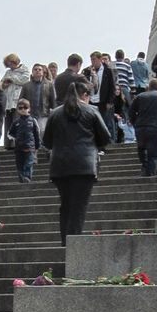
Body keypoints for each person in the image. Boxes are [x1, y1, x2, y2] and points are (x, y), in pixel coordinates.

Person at [42, 80, 111, 245]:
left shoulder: (56, 113)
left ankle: (65, 242)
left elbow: (46, 141)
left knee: (65, 205)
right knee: (78, 207)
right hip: (84, 165)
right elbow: (106, 137)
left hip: (60, 166)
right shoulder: (91, 111)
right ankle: (73, 244)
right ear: (85, 95)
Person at [84, 52, 117, 141]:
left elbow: (112, 87)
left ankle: (109, 142)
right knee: (93, 124)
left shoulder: (108, 70)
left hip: (103, 101)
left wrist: (110, 101)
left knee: (106, 123)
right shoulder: (88, 71)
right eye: (91, 60)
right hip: (91, 100)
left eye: (94, 59)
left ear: (100, 59)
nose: (92, 62)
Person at [0, 54, 30, 147]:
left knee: (17, 122)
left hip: (18, 101)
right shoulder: (8, 72)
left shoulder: (24, 70)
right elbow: (1, 84)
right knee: (8, 123)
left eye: (10, 64)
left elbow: (24, 80)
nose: (10, 66)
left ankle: (17, 143)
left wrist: (11, 79)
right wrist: (4, 84)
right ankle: (8, 144)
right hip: (8, 102)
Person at [8, 98, 41, 182]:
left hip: (30, 147)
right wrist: (15, 138)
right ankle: (22, 177)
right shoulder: (16, 122)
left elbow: (37, 134)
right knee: (19, 165)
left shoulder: (33, 121)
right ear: (18, 110)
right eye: (20, 108)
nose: (23, 109)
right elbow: (10, 133)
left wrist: (37, 147)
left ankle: (27, 177)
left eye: (25, 107)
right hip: (19, 147)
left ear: (29, 109)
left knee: (29, 163)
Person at [20, 63, 55, 135]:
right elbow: (21, 100)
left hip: (44, 114)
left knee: (42, 133)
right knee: (30, 134)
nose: (37, 71)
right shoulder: (26, 86)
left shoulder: (49, 84)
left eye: (40, 69)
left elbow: (53, 100)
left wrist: (54, 113)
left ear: (43, 72)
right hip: (30, 114)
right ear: (32, 72)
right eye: (35, 69)